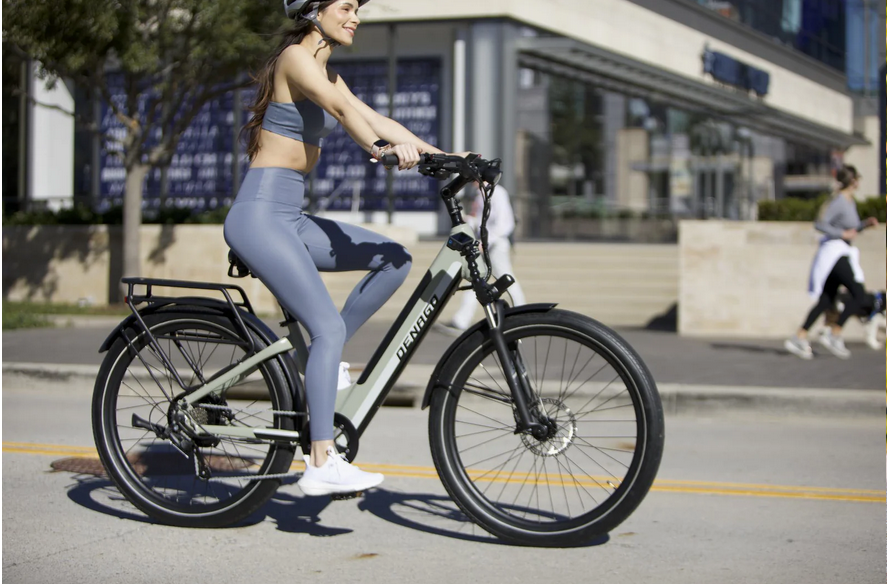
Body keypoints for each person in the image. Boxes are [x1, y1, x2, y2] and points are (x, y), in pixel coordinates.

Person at [224, 0, 452, 496]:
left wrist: (450, 159)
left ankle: (324, 364)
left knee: (394, 259)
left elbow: (375, 117)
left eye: (356, 9)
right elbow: (344, 113)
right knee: (326, 326)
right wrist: (378, 150)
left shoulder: (328, 73)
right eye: (346, 7)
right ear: (313, 10)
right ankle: (321, 461)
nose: (355, 18)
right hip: (260, 215)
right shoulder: (295, 59)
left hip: (291, 216)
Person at [784, 165, 880, 360]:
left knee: (827, 300)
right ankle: (834, 333)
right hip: (835, 253)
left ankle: (799, 336)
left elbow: (851, 229)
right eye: (857, 178)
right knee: (859, 294)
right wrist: (842, 234)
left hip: (843, 251)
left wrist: (865, 224)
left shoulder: (849, 201)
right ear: (852, 181)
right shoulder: (839, 201)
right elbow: (820, 224)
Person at [437, 181, 526, 335]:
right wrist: (468, 220)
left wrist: (487, 241)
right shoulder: (481, 194)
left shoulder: (497, 192)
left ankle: (522, 314)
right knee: (476, 280)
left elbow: (505, 223)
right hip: (484, 244)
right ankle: (461, 320)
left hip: (496, 244)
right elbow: (482, 221)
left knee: (506, 278)